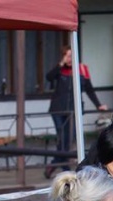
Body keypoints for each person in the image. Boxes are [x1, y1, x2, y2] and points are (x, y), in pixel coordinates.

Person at [46, 46, 108, 178]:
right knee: (62, 137)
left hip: (74, 110)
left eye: (71, 55)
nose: (70, 59)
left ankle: (55, 164)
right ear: (63, 57)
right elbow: (49, 78)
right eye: (67, 56)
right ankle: (64, 166)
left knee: (68, 139)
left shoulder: (82, 69)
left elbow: (89, 89)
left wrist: (98, 105)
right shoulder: (60, 69)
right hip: (58, 109)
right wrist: (61, 64)